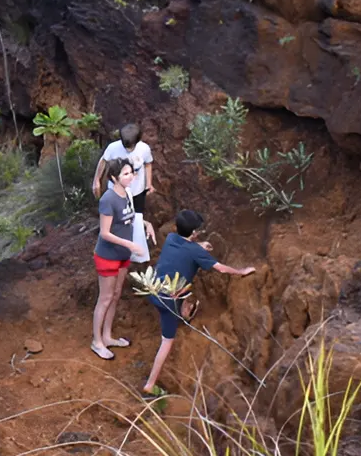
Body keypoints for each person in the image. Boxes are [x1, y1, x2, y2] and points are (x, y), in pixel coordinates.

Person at [141, 210, 256, 395]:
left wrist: (199, 246)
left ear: (176, 228)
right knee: (167, 341)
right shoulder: (194, 251)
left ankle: (183, 310)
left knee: (182, 286)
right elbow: (221, 269)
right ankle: (150, 383)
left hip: (153, 289)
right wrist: (241, 271)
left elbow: (185, 248)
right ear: (194, 233)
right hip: (168, 300)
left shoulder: (171, 238)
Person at [91, 159, 153, 361]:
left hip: (122, 256)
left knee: (116, 294)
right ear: (113, 178)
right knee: (105, 298)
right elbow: (105, 233)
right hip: (108, 256)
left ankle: (108, 336)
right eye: (126, 174)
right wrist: (130, 245)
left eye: (132, 173)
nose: (131, 177)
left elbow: (129, 217)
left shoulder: (126, 193)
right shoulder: (108, 199)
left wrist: (146, 223)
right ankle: (97, 341)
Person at [92, 124, 155, 265]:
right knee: (115, 221)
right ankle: (113, 248)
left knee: (136, 219)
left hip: (137, 191)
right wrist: (96, 180)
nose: (128, 150)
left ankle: (135, 251)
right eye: (126, 147)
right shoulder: (113, 148)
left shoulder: (144, 149)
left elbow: (148, 164)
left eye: (131, 147)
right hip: (116, 193)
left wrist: (148, 184)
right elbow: (103, 161)